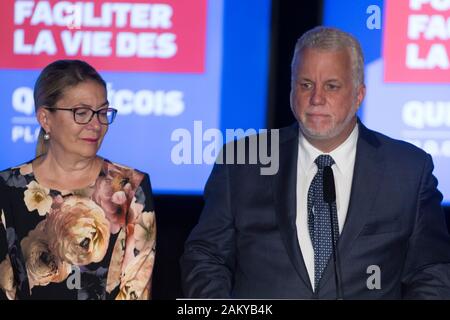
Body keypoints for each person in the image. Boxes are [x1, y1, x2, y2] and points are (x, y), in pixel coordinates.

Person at [180, 27, 450, 299]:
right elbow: (206, 257)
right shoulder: (242, 161)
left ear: (358, 94)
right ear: (292, 90)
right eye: (306, 84)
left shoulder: (408, 170)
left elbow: (431, 272)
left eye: (332, 86)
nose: (316, 99)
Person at [0, 60, 156, 300]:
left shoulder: (130, 187)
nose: (96, 125)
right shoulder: (7, 188)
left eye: (102, 112)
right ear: (45, 118)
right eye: (81, 113)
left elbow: (136, 289)